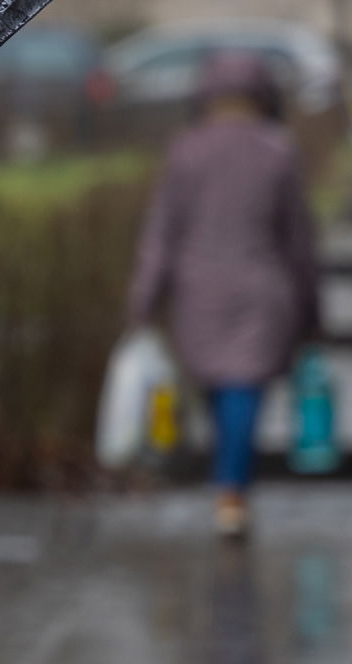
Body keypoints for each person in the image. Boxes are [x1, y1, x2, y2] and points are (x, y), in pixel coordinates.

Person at [126, 52, 323, 538]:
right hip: (262, 290)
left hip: (199, 293)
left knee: (222, 386)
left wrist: (144, 300)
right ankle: (233, 490)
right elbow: (299, 240)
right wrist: (313, 310)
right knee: (243, 388)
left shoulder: (185, 151)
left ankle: (230, 487)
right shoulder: (278, 150)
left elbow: (162, 234)